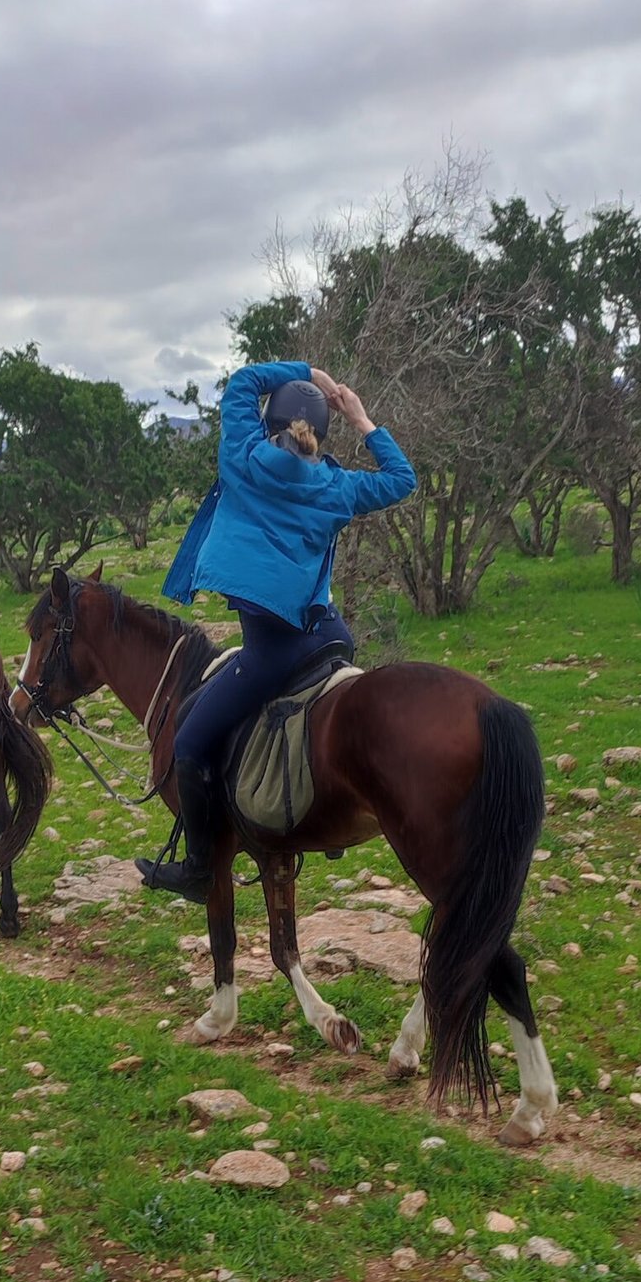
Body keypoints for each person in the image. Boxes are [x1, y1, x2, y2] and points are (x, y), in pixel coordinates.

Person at [140, 360, 416, 901]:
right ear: (322, 434)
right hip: (332, 636)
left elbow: (243, 382)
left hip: (273, 649)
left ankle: (198, 869)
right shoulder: (338, 486)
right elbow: (402, 479)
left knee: (189, 740)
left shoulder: (243, 459)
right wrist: (360, 418)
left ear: (269, 424)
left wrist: (309, 371)